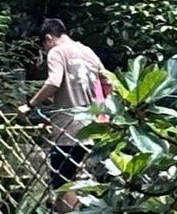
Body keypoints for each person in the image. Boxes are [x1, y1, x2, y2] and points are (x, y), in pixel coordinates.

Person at [19, 16, 114, 190]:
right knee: (82, 180)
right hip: (92, 128)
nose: (46, 51)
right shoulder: (88, 52)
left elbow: (54, 82)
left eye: (45, 46)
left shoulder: (58, 51)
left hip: (68, 130)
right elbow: (108, 83)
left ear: (48, 38)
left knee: (63, 183)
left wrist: (30, 105)